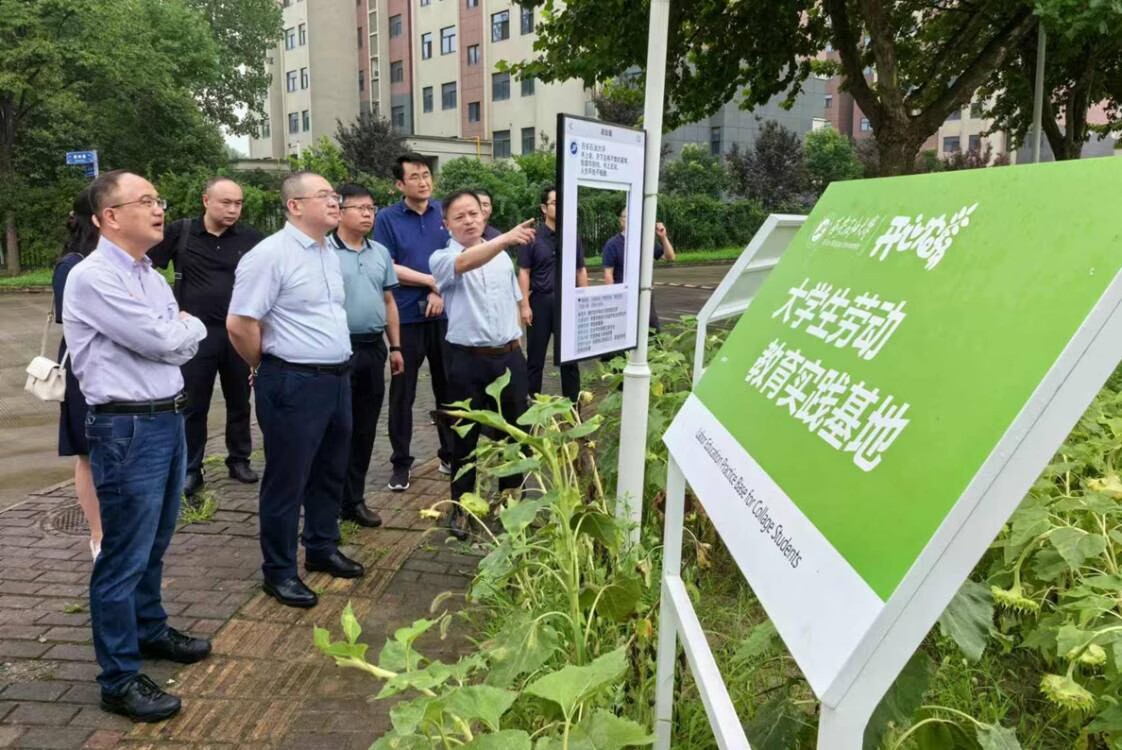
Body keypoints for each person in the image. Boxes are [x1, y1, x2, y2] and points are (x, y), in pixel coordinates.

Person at [62, 170, 212, 722]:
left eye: (158, 199)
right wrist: (187, 328)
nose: (158, 209)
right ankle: (119, 678)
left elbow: (172, 344)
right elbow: (162, 338)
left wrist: (178, 332)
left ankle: (149, 629)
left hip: (167, 418)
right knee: (124, 554)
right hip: (126, 427)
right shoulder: (92, 277)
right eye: (145, 200)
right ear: (109, 217)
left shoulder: (149, 273)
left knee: (156, 539)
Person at [227, 172, 365, 610]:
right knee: (288, 479)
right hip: (293, 381)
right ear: (294, 206)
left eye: (335, 195)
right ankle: (280, 571)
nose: (335, 202)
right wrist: (263, 365)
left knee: (330, 470)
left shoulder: (328, 252)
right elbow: (240, 323)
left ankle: (321, 547)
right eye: (324, 196)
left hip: (336, 379)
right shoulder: (269, 255)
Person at [430, 191, 536, 540]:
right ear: (446, 224)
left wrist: (517, 344)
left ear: (484, 216)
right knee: (464, 438)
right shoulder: (443, 258)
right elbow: (464, 264)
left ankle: (512, 506)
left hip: (509, 358)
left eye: (474, 214)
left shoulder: (501, 258)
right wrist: (505, 238)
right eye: (459, 216)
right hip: (467, 362)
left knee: (515, 435)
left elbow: (514, 299)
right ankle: (461, 508)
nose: (469, 221)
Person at [148, 177, 263, 498]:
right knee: (192, 403)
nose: (233, 209)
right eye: (226, 202)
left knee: (240, 399)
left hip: (237, 331)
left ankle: (239, 458)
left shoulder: (251, 239)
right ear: (206, 201)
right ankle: (191, 467)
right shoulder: (181, 232)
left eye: (238, 203)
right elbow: (147, 268)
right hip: (194, 335)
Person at [374, 154, 454, 492]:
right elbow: (387, 265)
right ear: (399, 184)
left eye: (426, 175)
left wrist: (440, 291)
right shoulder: (386, 219)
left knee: (449, 389)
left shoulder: (444, 212)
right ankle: (401, 463)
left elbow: (457, 256)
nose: (423, 182)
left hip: (446, 315)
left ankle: (451, 454)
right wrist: (431, 281)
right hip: (405, 317)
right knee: (402, 392)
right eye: (415, 177)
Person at [327, 183, 405, 528]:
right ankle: (328, 502)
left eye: (371, 208)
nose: (367, 214)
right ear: (339, 212)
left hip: (373, 348)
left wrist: (396, 346)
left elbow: (389, 301)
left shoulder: (380, 253)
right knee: (335, 428)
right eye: (359, 208)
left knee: (364, 427)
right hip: (337, 351)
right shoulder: (324, 252)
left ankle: (354, 499)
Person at [53, 189, 103, 560]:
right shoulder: (72, 266)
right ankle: (98, 534)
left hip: (121, 371)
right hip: (84, 367)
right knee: (87, 452)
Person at [517, 185, 588, 403]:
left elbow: (580, 269)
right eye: (556, 203)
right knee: (535, 360)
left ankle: (573, 409)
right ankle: (532, 409)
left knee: (570, 360)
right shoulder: (532, 237)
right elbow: (524, 271)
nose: (561, 207)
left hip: (568, 302)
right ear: (543, 208)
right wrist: (524, 305)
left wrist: (584, 302)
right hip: (540, 302)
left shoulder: (572, 235)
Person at [601, 208, 676, 332]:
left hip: (645, 295)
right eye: (628, 218)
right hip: (624, 297)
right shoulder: (612, 244)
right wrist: (613, 300)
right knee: (626, 331)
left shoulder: (645, 241)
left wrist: (663, 237)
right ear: (621, 221)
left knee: (653, 332)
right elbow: (608, 274)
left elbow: (670, 257)